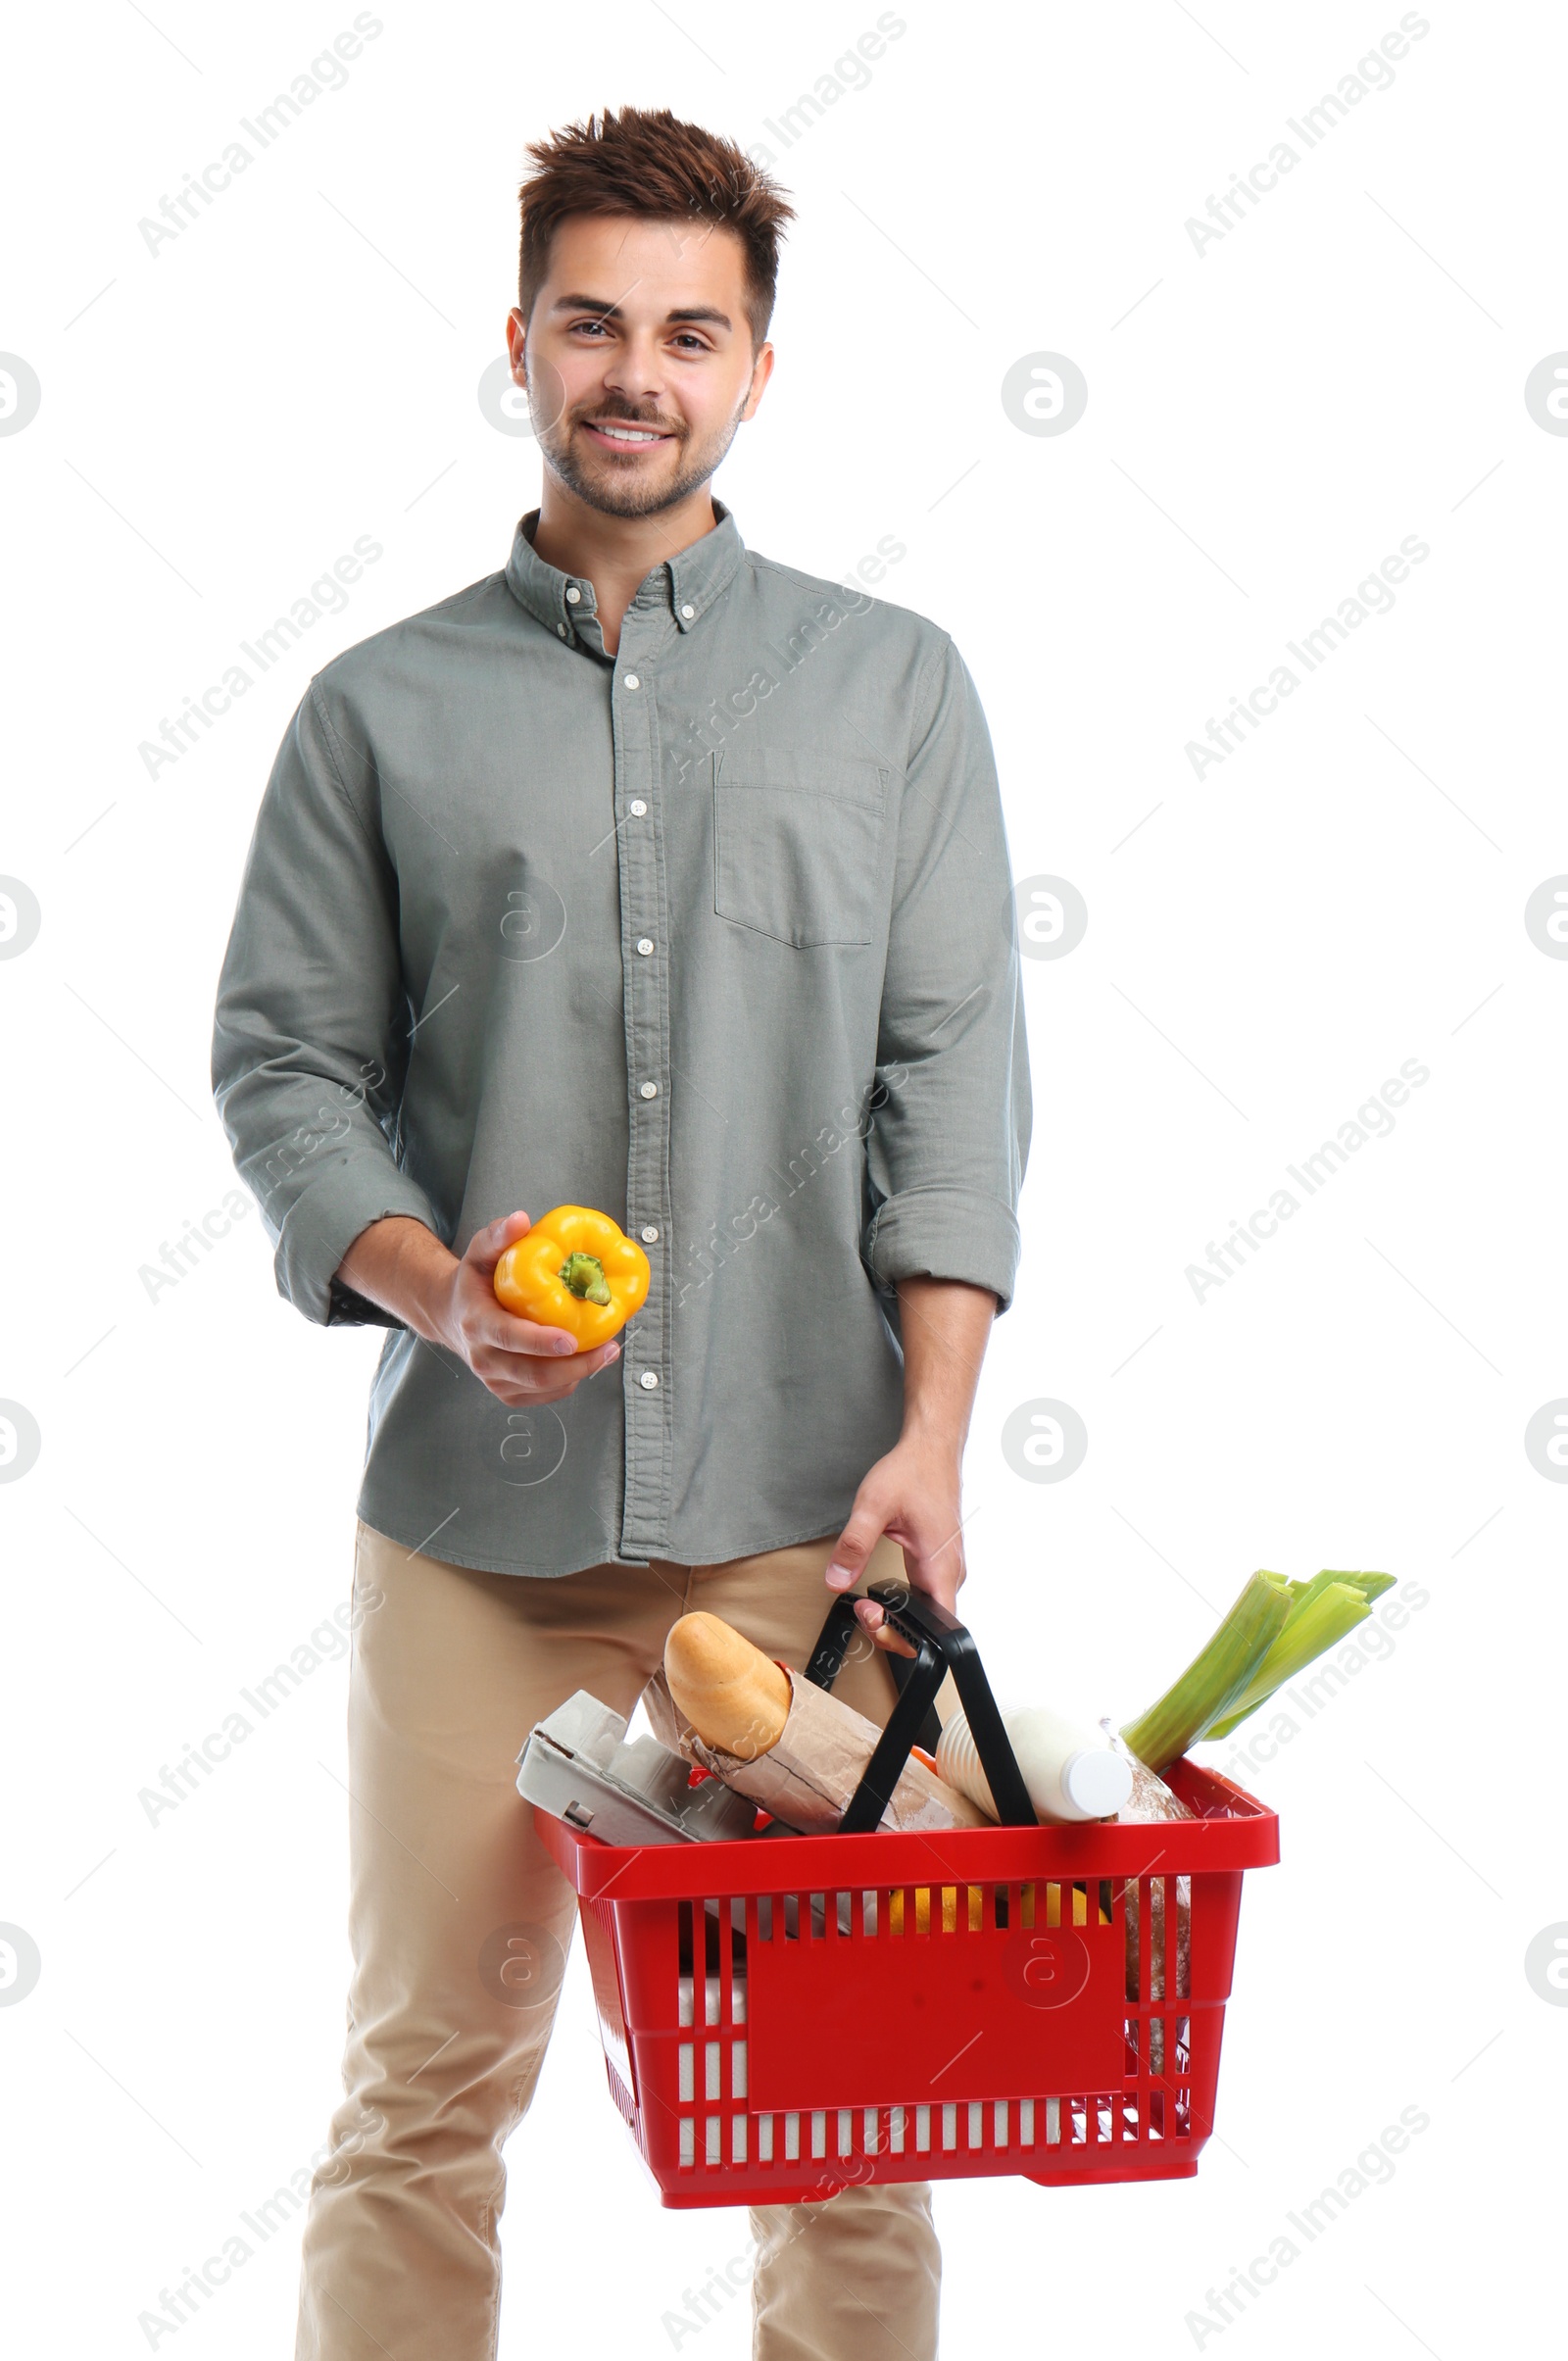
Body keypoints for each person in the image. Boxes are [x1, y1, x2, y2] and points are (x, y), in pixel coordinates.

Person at [212, 104, 1030, 2361]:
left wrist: (935, 1430)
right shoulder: (375, 709)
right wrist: (428, 1288)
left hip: (801, 1527)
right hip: (474, 1537)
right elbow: (285, 1063)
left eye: (689, 328)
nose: (635, 371)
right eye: (591, 322)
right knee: (422, 2091)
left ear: (755, 367)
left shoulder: (893, 691)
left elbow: (944, 1088)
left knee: (845, 2112)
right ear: (519, 345)